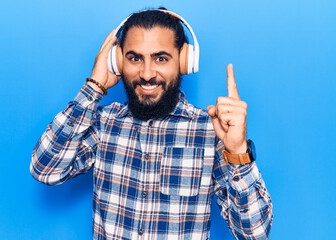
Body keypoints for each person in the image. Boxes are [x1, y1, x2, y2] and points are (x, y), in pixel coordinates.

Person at [30, 8, 273, 240]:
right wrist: (93, 87)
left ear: (184, 61)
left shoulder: (210, 131)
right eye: (135, 58)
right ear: (117, 62)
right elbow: (45, 170)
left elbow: (255, 233)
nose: (147, 73)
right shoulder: (104, 123)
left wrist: (238, 152)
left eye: (161, 58)